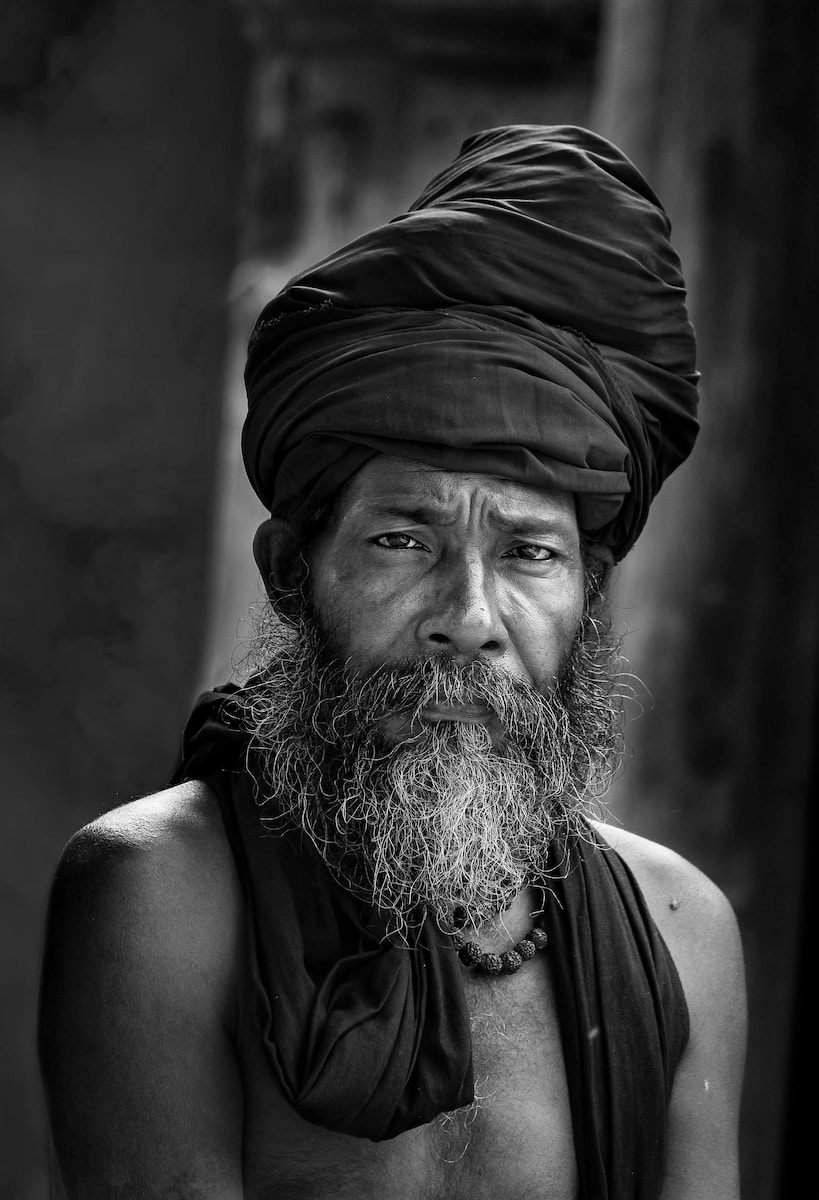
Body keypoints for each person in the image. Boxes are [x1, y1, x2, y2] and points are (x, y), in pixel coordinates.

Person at [38, 125, 747, 1199]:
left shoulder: (681, 928)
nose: (469, 619)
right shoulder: (163, 894)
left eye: (530, 554)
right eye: (404, 540)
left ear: (589, 595)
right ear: (292, 571)